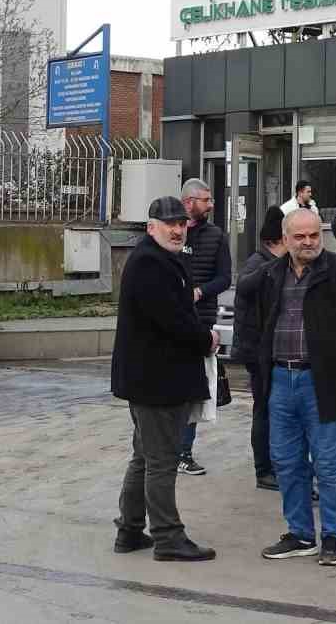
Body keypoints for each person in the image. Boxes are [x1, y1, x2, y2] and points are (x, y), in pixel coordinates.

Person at [252, 209, 336, 567]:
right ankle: (300, 534)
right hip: (280, 381)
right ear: (286, 238)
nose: (308, 243)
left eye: (313, 236)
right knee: (287, 462)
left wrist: (335, 359)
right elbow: (260, 320)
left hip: (323, 382)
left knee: (329, 463)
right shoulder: (271, 274)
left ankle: (333, 538)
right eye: (299, 237)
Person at [110, 196, 219, 561]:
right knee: (161, 460)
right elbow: (172, 319)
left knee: (144, 456)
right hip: (156, 381)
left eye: (181, 223)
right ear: (151, 226)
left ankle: (129, 530)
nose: (176, 229)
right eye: (169, 224)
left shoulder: (161, 259)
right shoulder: (150, 264)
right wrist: (207, 338)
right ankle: (168, 537)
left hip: (150, 378)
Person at [178, 178, 230, 477]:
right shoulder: (173, 231)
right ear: (189, 202)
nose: (211, 205)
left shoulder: (217, 237)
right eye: (206, 200)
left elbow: (224, 277)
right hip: (173, 318)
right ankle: (163, 448)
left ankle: (184, 452)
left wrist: (200, 291)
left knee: (195, 386)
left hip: (202, 319)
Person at [234, 206, 288, 492]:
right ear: (278, 240)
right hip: (258, 353)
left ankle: (275, 465)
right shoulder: (260, 263)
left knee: (272, 409)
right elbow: (243, 286)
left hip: (267, 351)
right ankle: (264, 470)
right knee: (264, 410)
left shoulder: (271, 262)